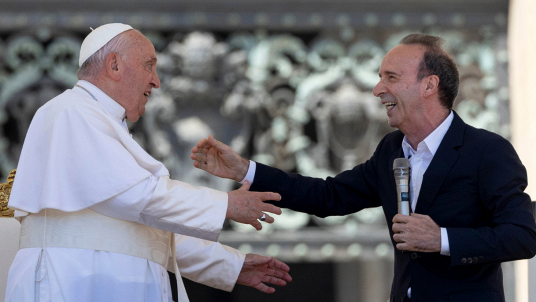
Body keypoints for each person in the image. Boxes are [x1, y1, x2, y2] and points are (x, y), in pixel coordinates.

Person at [191, 33, 536, 302]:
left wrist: (441, 239)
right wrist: (245, 170)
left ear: (429, 85)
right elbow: (328, 196)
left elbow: (524, 236)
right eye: (379, 78)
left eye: (391, 77)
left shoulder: (487, 151)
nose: (376, 90)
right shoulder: (391, 150)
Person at [5, 23, 291, 302]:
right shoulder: (72, 111)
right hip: (75, 281)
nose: (156, 80)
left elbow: (148, 231)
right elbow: (136, 196)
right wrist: (225, 204)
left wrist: (231, 265)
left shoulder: (104, 121)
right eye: (149, 65)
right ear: (114, 65)